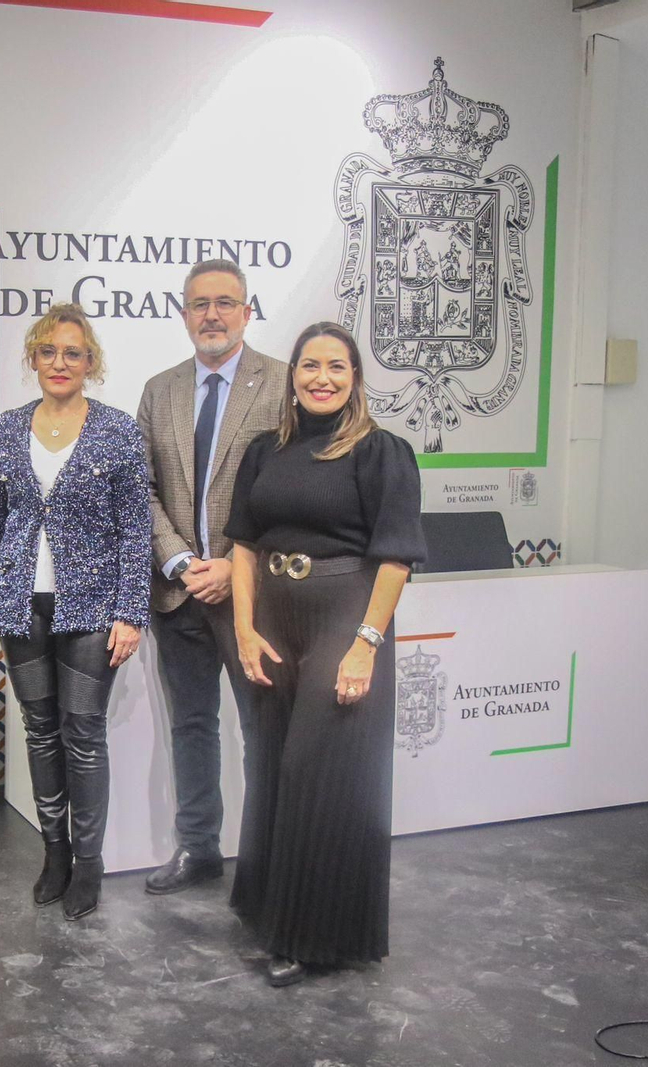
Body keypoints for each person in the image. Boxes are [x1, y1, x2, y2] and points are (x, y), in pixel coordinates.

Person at [226, 321, 425, 987]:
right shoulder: (264, 450)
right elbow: (244, 545)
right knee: (276, 762)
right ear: (293, 376)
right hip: (274, 613)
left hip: (346, 608)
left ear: (355, 378)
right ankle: (271, 909)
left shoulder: (382, 452)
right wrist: (245, 627)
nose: (321, 377)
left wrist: (366, 644)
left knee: (319, 767)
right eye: (309, 365)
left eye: (335, 366)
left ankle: (315, 936)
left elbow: (395, 556)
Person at [0, 303, 151, 920]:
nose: (60, 363)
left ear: (90, 362)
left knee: (83, 736)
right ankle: (56, 855)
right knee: (40, 731)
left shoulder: (119, 430)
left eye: (73, 352)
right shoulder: (5, 430)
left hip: (92, 611)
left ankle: (90, 866)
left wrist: (132, 612)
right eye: (48, 351)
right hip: (21, 605)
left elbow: (134, 530)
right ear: (32, 359)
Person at [135, 259, 287, 896]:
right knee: (191, 726)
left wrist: (233, 565)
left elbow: (291, 491)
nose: (213, 315)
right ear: (183, 313)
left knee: (260, 729)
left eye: (226, 303)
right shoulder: (159, 390)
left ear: (248, 312)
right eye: (200, 304)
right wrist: (179, 561)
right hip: (178, 592)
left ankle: (265, 857)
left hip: (253, 597)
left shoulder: (282, 385)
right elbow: (139, 489)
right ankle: (198, 849)